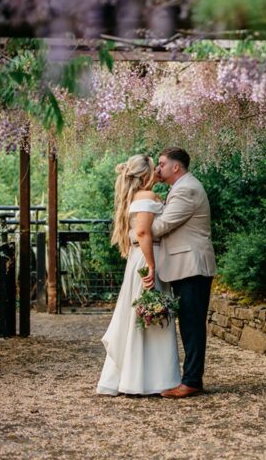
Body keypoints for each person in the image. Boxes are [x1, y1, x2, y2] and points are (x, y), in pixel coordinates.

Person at [96, 154, 180, 396]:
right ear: (145, 174)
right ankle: (148, 380)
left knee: (144, 316)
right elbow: (143, 232)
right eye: (155, 167)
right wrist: (152, 266)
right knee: (150, 316)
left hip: (139, 257)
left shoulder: (135, 197)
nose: (158, 171)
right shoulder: (146, 196)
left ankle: (138, 377)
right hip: (147, 257)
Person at [143, 147, 217, 398]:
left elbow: (162, 225)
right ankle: (191, 379)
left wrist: (136, 228)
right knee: (188, 323)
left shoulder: (187, 189)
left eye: (161, 164)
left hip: (192, 266)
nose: (157, 169)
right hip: (185, 265)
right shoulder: (180, 187)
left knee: (192, 325)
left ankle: (192, 381)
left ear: (176, 167)